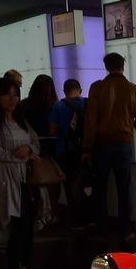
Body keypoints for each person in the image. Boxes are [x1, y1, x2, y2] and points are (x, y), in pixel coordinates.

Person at [0, 77, 43, 269]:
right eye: (7, 94)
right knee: (15, 225)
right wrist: (20, 156)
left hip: (25, 179)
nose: (12, 99)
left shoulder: (21, 120)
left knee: (27, 223)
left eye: (15, 94)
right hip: (6, 180)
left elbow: (35, 141)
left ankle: (25, 264)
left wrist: (29, 149)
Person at [83, 52, 136, 243]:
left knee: (101, 188)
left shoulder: (97, 87)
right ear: (123, 66)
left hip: (102, 144)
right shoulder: (134, 90)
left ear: (106, 67)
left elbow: (91, 120)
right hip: (124, 144)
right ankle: (126, 229)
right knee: (124, 188)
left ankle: (103, 229)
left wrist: (86, 148)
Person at [48, 79, 87, 228]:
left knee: (68, 185)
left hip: (64, 150)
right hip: (84, 150)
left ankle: (74, 218)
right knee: (82, 183)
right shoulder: (87, 103)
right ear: (80, 90)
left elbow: (52, 131)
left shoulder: (58, 106)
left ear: (64, 91)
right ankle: (85, 216)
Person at [22, 74, 59, 227]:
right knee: (52, 181)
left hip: (31, 148)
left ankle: (37, 213)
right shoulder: (54, 105)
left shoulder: (24, 105)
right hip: (51, 146)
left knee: (33, 180)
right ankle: (53, 212)